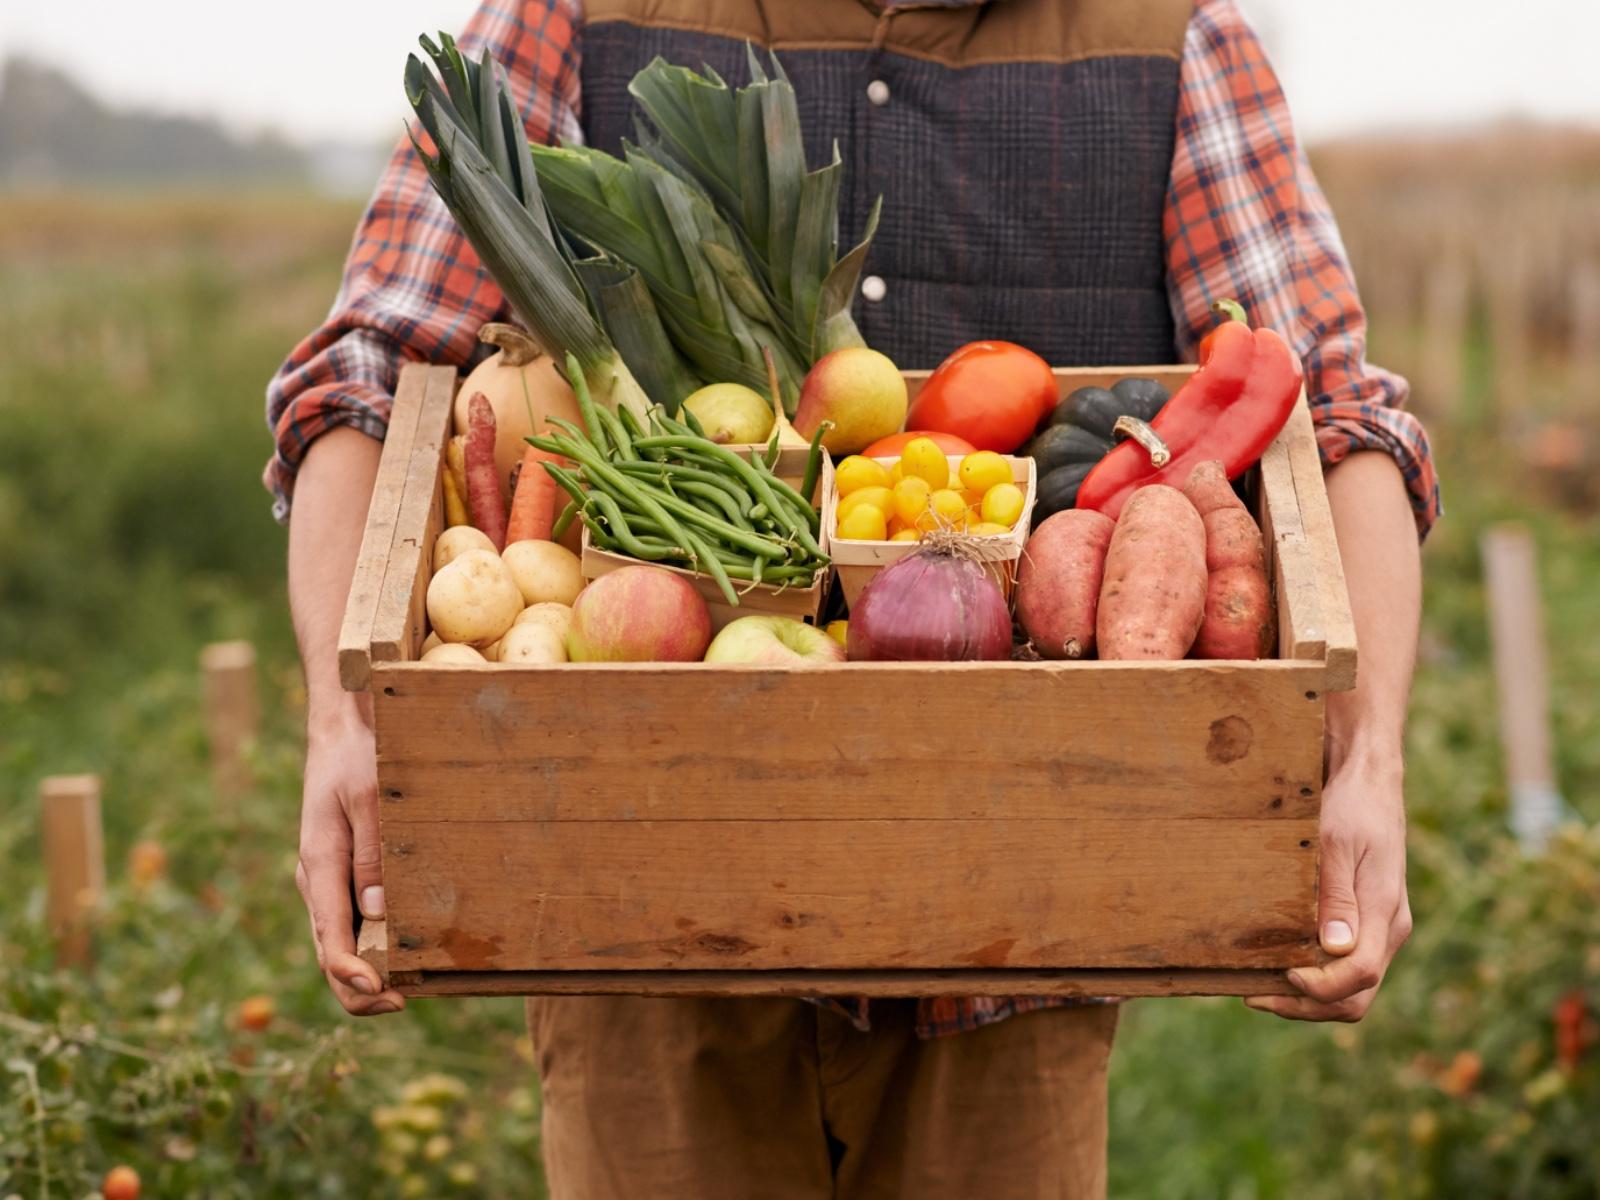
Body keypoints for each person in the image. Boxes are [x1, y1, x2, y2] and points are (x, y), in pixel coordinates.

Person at [268, 0, 1439, 1194]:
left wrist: (1366, 762)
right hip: (645, 922)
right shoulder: (575, 13)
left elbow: (1334, 418)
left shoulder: (1167, 31)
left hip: (1018, 932)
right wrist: (342, 724)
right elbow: (368, 377)